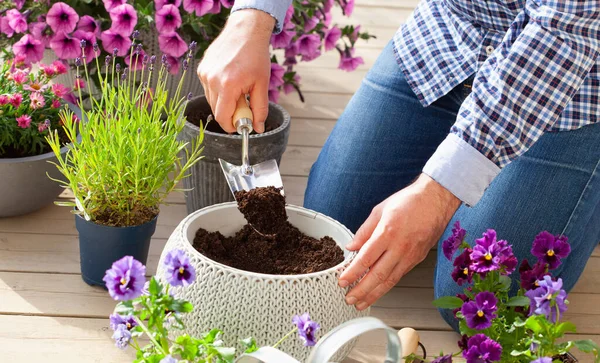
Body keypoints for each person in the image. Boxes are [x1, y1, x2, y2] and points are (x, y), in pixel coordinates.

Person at [197, 0, 600, 330]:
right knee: (337, 232)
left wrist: (439, 192)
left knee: (475, 302)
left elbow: (561, 33)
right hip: (452, 38)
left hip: (569, 84)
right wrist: (250, 19)